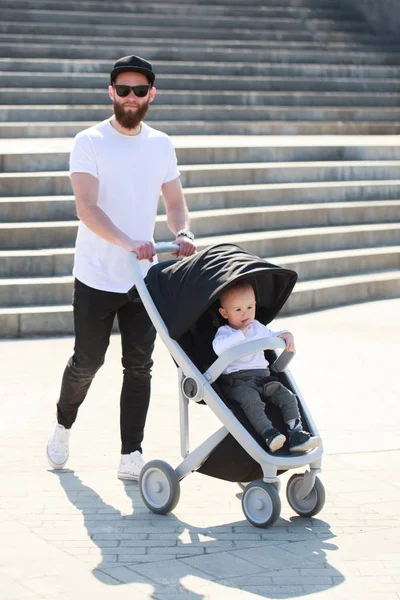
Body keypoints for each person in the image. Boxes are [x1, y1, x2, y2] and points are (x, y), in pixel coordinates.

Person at [46, 54, 196, 479]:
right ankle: (63, 423)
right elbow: (87, 209)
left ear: (152, 94)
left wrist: (182, 233)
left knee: (139, 364)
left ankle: (132, 453)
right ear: (111, 93)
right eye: (124, 89)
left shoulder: (161, 144)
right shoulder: (89, 141)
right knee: (87, 361)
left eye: (140, 90)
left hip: (141, 279)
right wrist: (128, 241)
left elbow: (174, 203)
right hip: (97, 273)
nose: (132, 97)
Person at [212, 280, 321, 453]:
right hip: (238, 381)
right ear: (224, 313)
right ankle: (269, 433)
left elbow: (272, 335)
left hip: (264, 378)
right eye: (238, 310)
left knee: (288, 397)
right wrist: (241, 334)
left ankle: (296, 434)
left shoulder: (257, 327)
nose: (245, 314)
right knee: (252, 402)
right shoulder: (226, 332)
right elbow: (219, 348)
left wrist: (286, 335)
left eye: (250, 307)